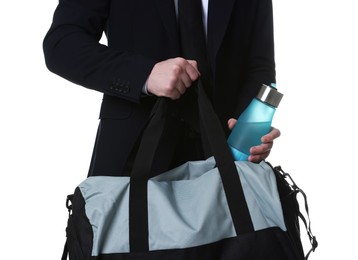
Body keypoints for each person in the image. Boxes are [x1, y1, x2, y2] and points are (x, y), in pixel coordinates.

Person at [43, 0, 280, 177]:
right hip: (133, 150)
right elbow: (62, 45)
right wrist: (145, 74)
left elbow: (259, 65)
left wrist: (249, 128)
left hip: (227, 153)